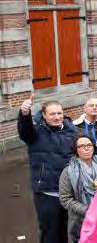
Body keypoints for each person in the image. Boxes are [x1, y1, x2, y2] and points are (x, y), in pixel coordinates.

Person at [18, 96, 76, 243]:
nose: (57, 117)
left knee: (66, 230)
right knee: (50, 232)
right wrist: (24, 114)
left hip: (68, 191)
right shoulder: (36, 132)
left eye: (59, 113)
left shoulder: (72, 131)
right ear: (44, 115)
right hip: (47, 191)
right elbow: (25, 130)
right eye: (52, 114)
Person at [59, 136, 97, 242]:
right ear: (76, 150)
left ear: (94, 147)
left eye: (89, 145)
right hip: (81, 221)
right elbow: (66, 199)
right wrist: (88, 211)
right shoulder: (68, 172)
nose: (86, 148)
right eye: (82, 146)